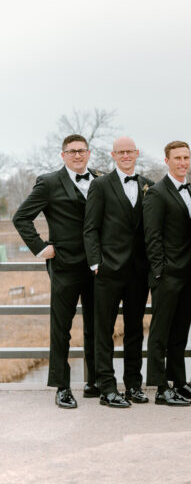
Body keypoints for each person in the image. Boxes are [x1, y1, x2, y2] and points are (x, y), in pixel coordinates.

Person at [12, 134, 101, 409]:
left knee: (97, 325)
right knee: (61, 328)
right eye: (71, 151)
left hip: (98, 266)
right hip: (64, 265)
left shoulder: (101, 180)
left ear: (88, 153)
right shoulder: (49, 182)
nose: (77, 155)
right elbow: (21, 217)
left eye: (81, 151)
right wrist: (40, 248)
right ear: (63, 155)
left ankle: (95, 381)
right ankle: (62, 387)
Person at [82, 136, 153, 408]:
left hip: (138, 271)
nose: (126, 155)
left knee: (135, 330)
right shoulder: (100, 185)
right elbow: (90, 228)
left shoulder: (149, 185)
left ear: (137, 153)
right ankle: (107, 388)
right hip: (108, 271)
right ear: (113, 155)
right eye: (120, 152)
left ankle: (134, 385)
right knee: (104, 330)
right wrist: (96, 263)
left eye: (130, 151)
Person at [143, 141, 191, 406]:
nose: (183, 162)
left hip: (190, 274)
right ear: (166, 161)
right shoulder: (157, 192)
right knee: (160, 332)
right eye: (177, 158)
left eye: (186, 157)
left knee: (180, 331)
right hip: (167, 274)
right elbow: (152, 235)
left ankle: (179, 382)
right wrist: (160, 271)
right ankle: (160, 387)